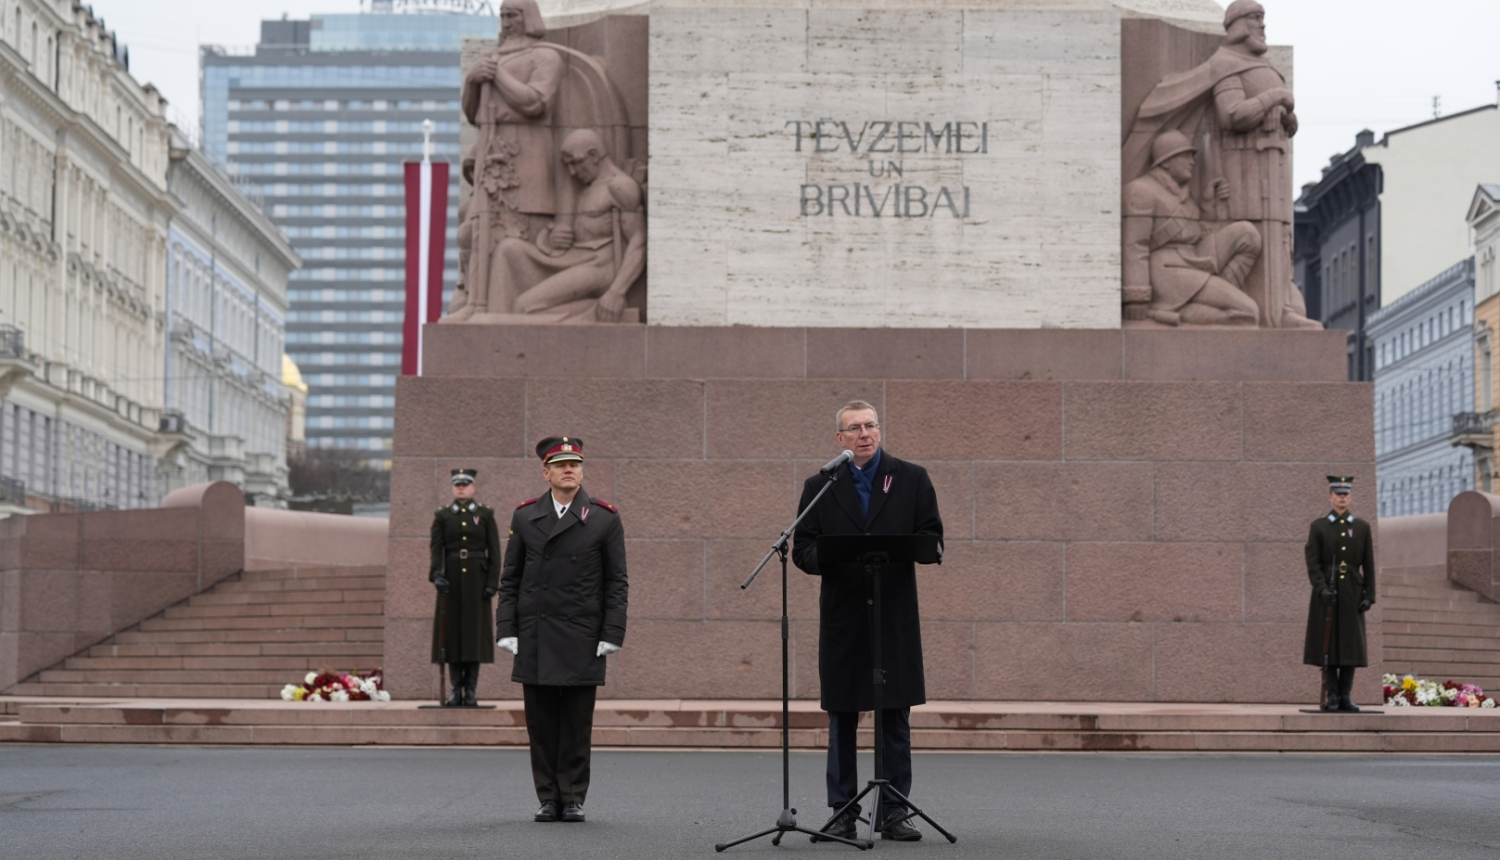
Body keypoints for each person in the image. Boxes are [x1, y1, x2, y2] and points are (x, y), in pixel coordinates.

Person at [792, 401, 943, 842]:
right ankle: (842, 810)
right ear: (839, 439)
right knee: (843, 715)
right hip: (845, 616)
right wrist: (832, 555)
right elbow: (804, 549)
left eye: (871, 425)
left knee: (895, 713)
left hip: (893, 614)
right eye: (854, 428)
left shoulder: (911, 478)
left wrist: (921, 548)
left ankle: (894, 810)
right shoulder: (820, 486)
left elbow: (932, 537)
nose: (865, 434)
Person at [496, 436, 628, 823]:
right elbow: (511, 578)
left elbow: (617, 582)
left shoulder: (604, 517)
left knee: (574, 722)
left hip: (581, 633)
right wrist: (506, 627)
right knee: (540, 723)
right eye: (560, 464)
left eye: (575, 463)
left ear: (582, 470)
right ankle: (548, 797)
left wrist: (612, 632)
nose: (569, 469)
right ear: (546, 472)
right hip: (536, 632)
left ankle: (572, 796)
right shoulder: (525, 516)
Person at [491, 128, 646, 322]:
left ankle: (590, 310)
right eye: (568, 165)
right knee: (508, 249)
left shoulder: (620, 186)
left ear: (593, 155)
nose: (572, 172)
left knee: (523, 305)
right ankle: (492, 318)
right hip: (575, 257)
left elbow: (638, 241)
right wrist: (552, 237)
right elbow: (581, 233)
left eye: (575, 163)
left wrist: (617, 292)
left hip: (600, 265)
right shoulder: (589, 188)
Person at [1122, 130, 1261, 327]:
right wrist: (1136, 295)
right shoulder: (1141, 191)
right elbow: (1135, 244)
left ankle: (1213, 295)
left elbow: (1194, 234)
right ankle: (1185, 313)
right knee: (1248, 312)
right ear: (1167, 161)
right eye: (1184, 156)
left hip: (1193, 259)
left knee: (1248, 234)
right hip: (1167, 272)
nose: (1192, 162)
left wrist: (1208, 205)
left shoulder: (1183, 194)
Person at [1303, 475, 1375, 712]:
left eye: (1345, 494)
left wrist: (1369, 594)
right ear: (1330, 496)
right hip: (1328, 594)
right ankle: (1332, 695)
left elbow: (1369, 563)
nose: (1342, 497)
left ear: (1351, 497)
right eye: (1337, 493)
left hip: (1352, 593)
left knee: (1350, 647)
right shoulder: (1319, 527)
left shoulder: (1362, 527)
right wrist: (1322, 589)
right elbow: (1313, 564)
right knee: (1329, 647)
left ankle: (1346, 694)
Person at [429, 468, 501, 707]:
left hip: (476, 584)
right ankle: (454, 690)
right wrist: (437, 575)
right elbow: (436, 550)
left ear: (473, 488)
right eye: (457, 484)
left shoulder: (485, 514)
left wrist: (492, 582)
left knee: (473, 638)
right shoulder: (443, 516)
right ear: (452, 487)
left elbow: (495, 552)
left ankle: (470, 690)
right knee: (450, 637)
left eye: (465, 484)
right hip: (450, 582)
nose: (461, 487)